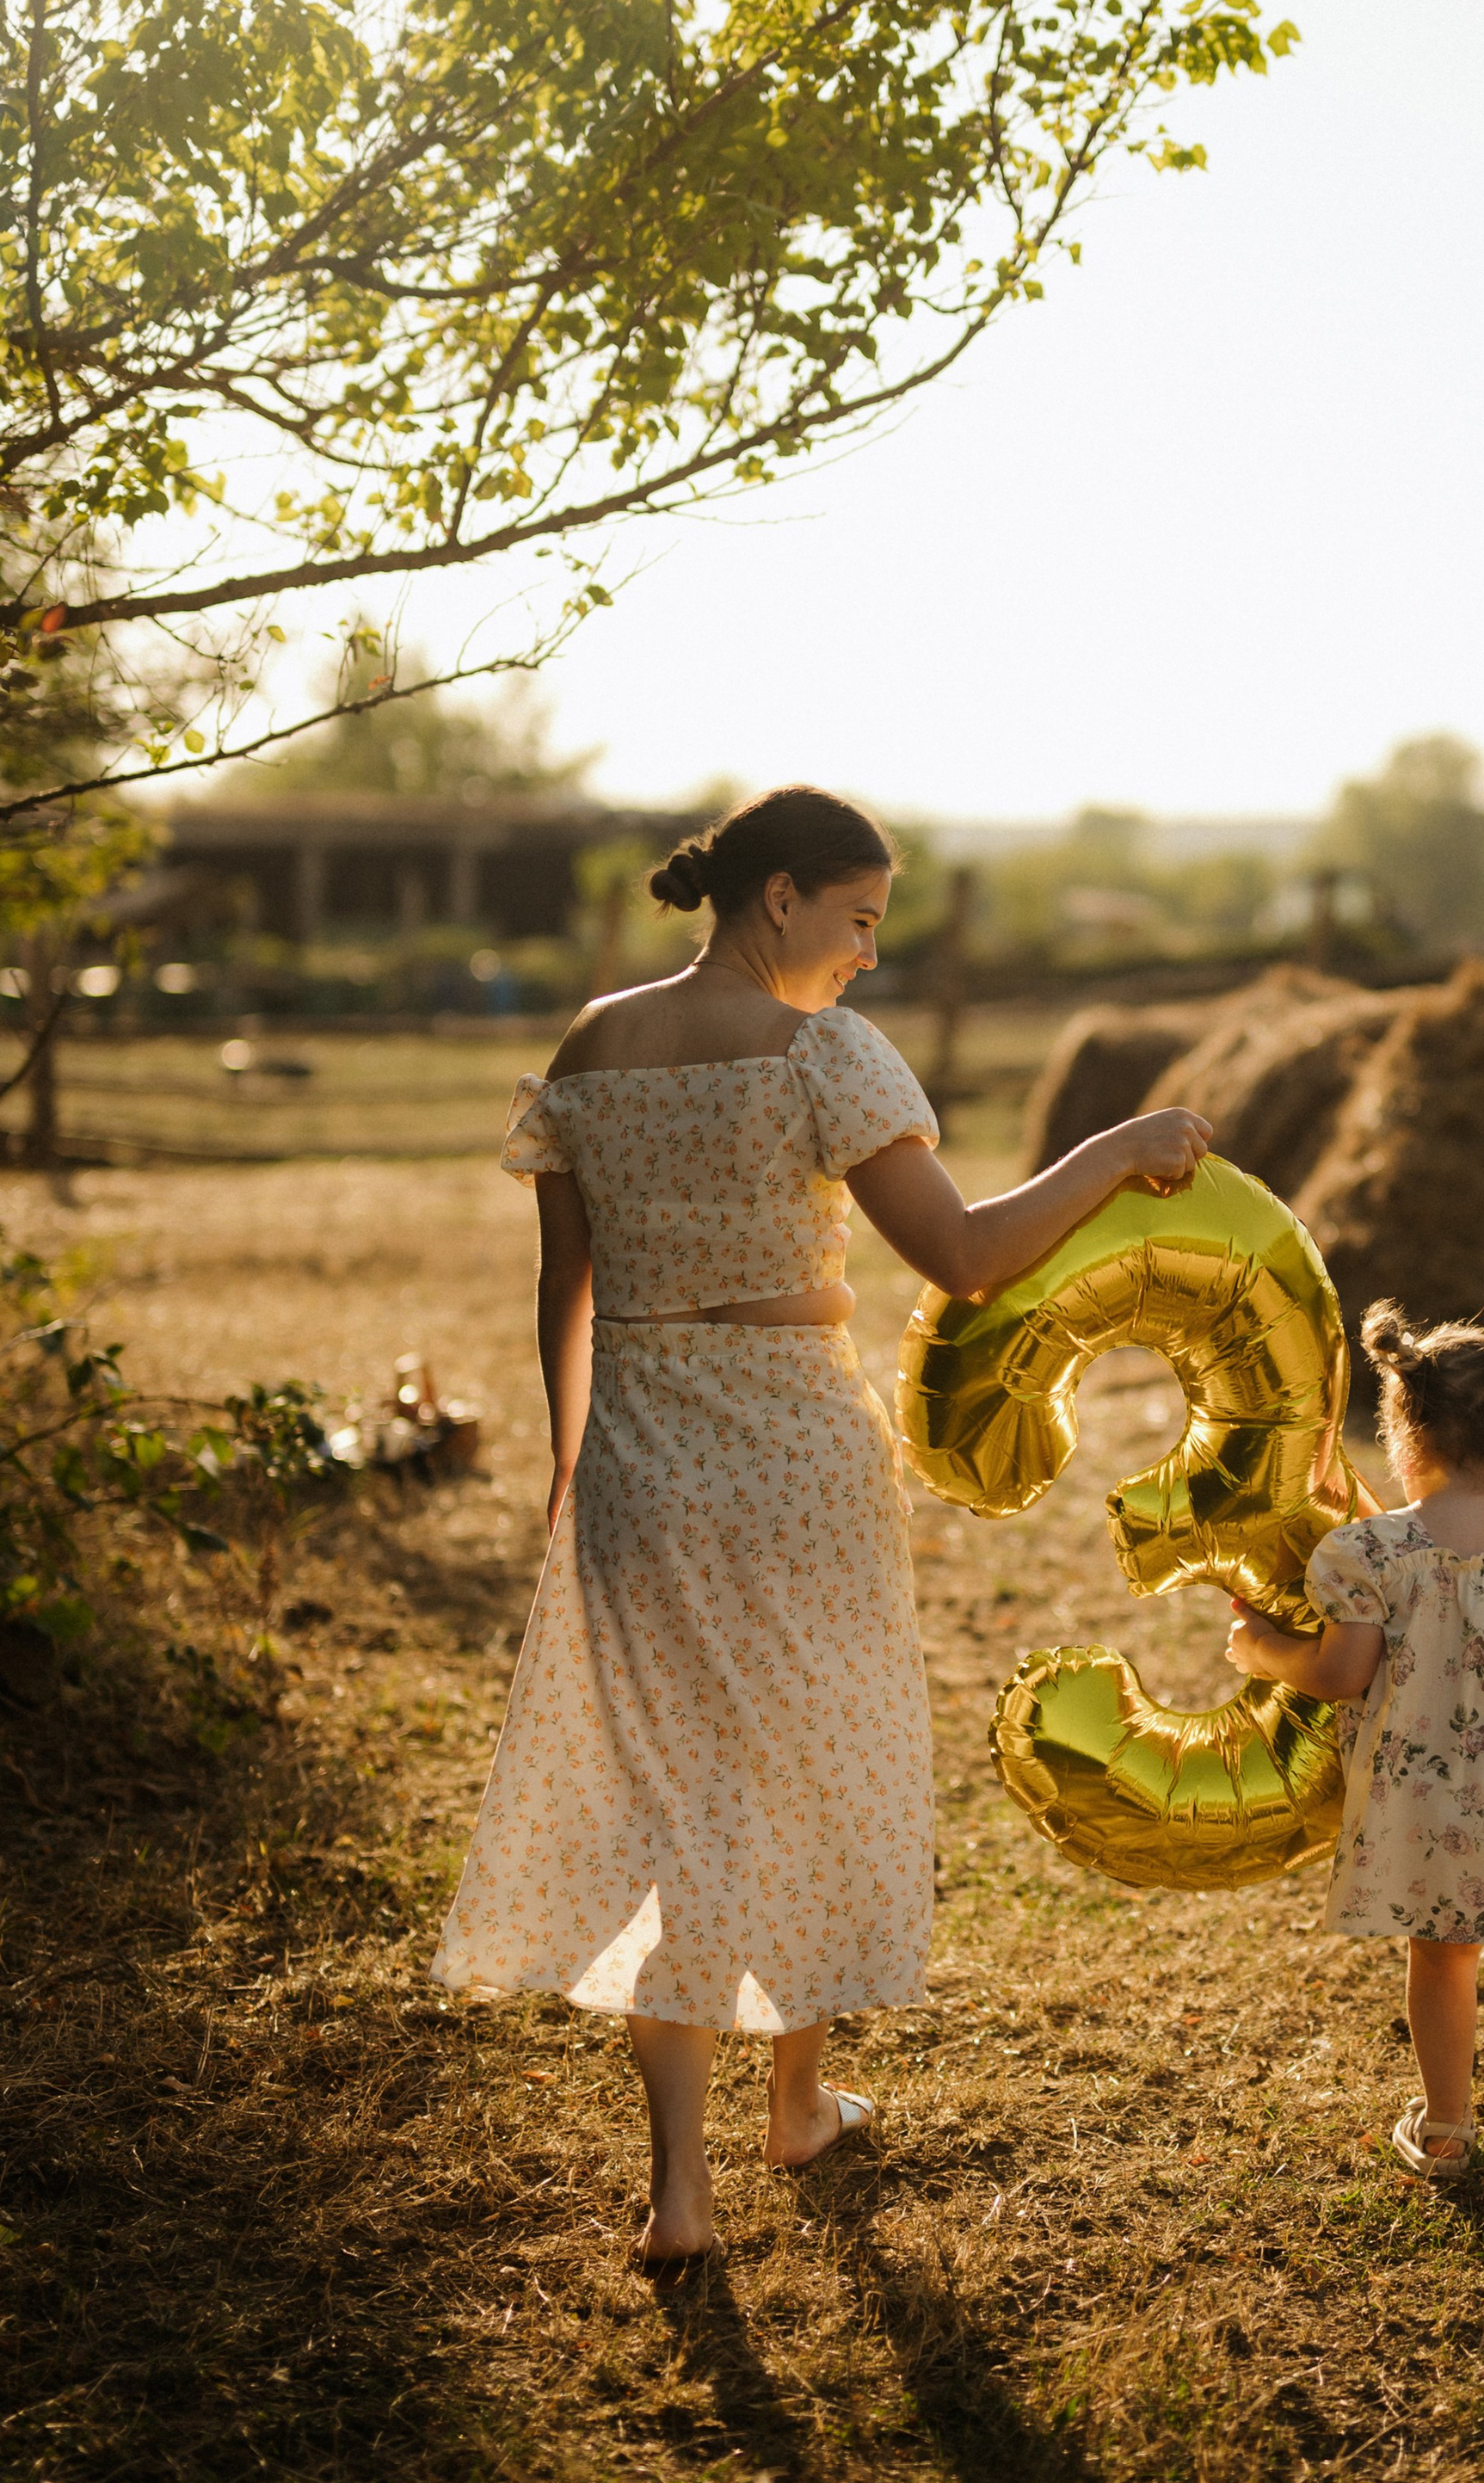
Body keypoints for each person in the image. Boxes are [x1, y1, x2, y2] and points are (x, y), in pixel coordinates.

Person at [433, 785, 1210, 2265]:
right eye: (857, 918)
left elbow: (565, 1293)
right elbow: (968, 1252)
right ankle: (792, 2104)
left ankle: (681, 2188)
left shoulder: (591, 1042)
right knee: (803, 1767)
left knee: (680, 1798)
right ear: (778, 898)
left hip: (641, 1453)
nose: (866, 955)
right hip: (790, 1444)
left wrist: (569, 1461)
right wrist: (1116, 1147)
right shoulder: (818, 1053)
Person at [1223, 1298, 1484, 2262]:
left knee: (1443, 1957)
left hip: (1430, 1810)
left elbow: (1341, 1671)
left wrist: (1263, 1650)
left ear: (1400, 1436)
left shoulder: (1368, 1551)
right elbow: (1473, 1582)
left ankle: (1448, 2127)